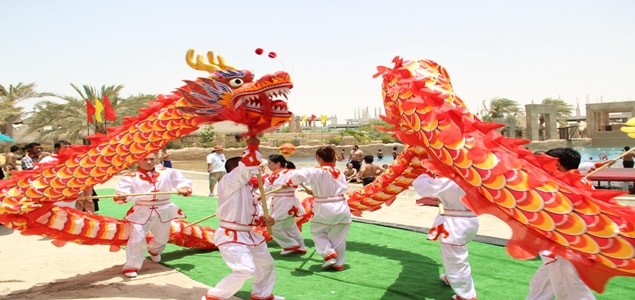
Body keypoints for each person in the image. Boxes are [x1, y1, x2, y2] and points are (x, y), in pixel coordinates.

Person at [201, 137, 284, 300]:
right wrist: (252, 147)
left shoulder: (248, 188)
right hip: (231, 234)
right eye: (241, 165)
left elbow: (252, 211)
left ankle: (262, 294)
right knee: (245, 270)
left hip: (249, 234)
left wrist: (264, 220)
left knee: (266, 264)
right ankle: (214, 296)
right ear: (234, 170)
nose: (249, 170)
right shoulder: (228, 182)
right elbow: (246, 168)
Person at [526, 147, 596, 300]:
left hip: (567, 244)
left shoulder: (566, 186)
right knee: (542, 284)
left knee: (571, 289)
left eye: (545, 161)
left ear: (556, 164)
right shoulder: (579, 182)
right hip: (569, 241)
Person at [114, 153, 193, 278]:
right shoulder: (129, 177)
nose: (149, 162)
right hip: (141, 211)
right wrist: (122, 195)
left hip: (164, 209)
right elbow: (122, 192)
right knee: (137, 238)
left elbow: (181, 181)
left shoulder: (167, 171)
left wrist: (184, 187)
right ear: (137, 160)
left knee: (162, 238)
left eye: (151, 159)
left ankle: (154, 250)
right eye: (145, 159)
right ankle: (131, 266)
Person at [412, 173, 478, 300]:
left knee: (456, 259)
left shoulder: (448, 179)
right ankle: (451, 277)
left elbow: (423, 188)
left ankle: (467, 296)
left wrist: (423, 172)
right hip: (470, 220)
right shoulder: (474, 175)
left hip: (456, 223)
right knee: (451, 255)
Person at [285, 145, 351, 271]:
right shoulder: (339, 172)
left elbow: (296, 176)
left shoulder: (316, 170)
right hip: (341, 206)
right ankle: (338, 263)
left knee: (318, 232)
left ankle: (328, 254)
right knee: (339, 236)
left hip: (324, 207)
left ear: (319, 158)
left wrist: (288, 182)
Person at [264, 154, 306, 255]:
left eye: (270, 163)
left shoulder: (285, 173)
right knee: (290, 226)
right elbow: (265, 192)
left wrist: (290, 182)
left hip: (282, 203)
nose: (268, 166)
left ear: (278, 163)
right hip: (286, 202)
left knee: (272, 226)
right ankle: (301, 246)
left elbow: (265, 192)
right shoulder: (288, 173)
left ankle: (290, 245)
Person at [37, 140, 94, 210]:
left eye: (68, 147)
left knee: (70, 213)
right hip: (54, 193)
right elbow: (37, 175)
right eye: (65, 147)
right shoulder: (47, 160)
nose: (67, 150)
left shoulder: (71, 160)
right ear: (56, 149)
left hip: (70, 193)